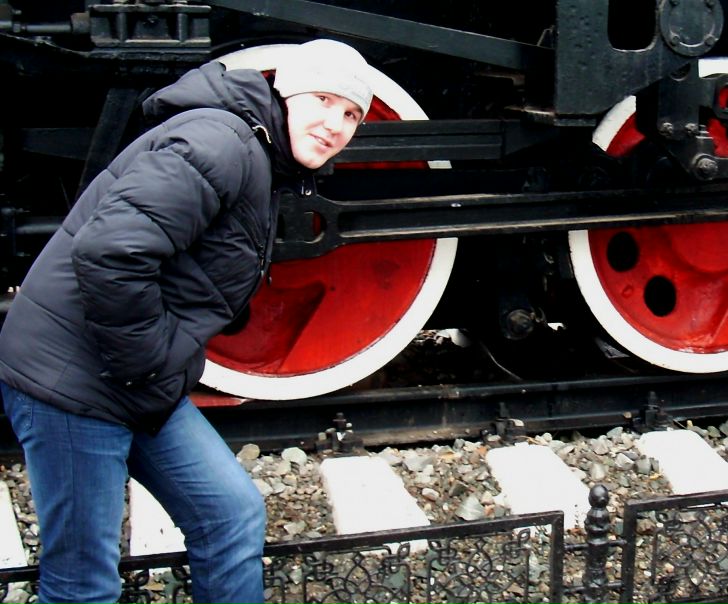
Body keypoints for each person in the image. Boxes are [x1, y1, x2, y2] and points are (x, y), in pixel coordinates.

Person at [0, 39, 373, 604]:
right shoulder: (221, 145)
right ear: (286, 92)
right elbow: (111, 252)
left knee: (230, 516)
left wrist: (149, 369)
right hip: (72, 380)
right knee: (83, 584)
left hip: (133, 377)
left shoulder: (262, 157)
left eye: (350, 115)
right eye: (323, 100)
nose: (335, 125)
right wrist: (146, 363)